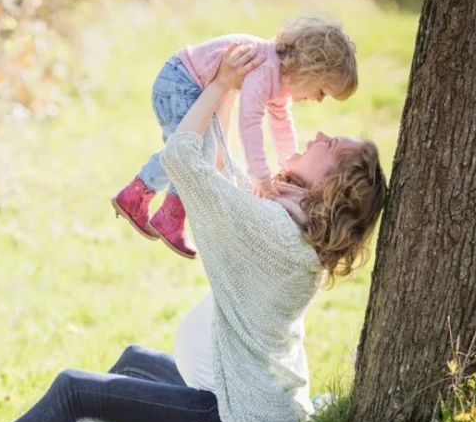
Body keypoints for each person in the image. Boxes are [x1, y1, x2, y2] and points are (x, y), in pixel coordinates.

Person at [0, 44, 386, 422]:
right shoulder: (290, 226)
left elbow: (184, 160)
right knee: (135, 363)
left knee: (75, 389)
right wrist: (230, 87)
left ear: (332, 183)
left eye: (331, 143)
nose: (317, 134)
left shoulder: (272, 230)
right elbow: (223, 172)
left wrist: (215, 86)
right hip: (252, 400)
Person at [111, 17, 359, 259]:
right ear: (310, 69)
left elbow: (282, 124)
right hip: (180, 84)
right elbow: (249, 122)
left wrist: (289, 162)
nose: (318, 100)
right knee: (192, 152)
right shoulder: (266, 69)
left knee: (192, 151)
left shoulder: (279, 78)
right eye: (322, 91)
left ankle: (139, 197)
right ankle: (167, 215)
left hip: (184, 83)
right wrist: (261, 176)